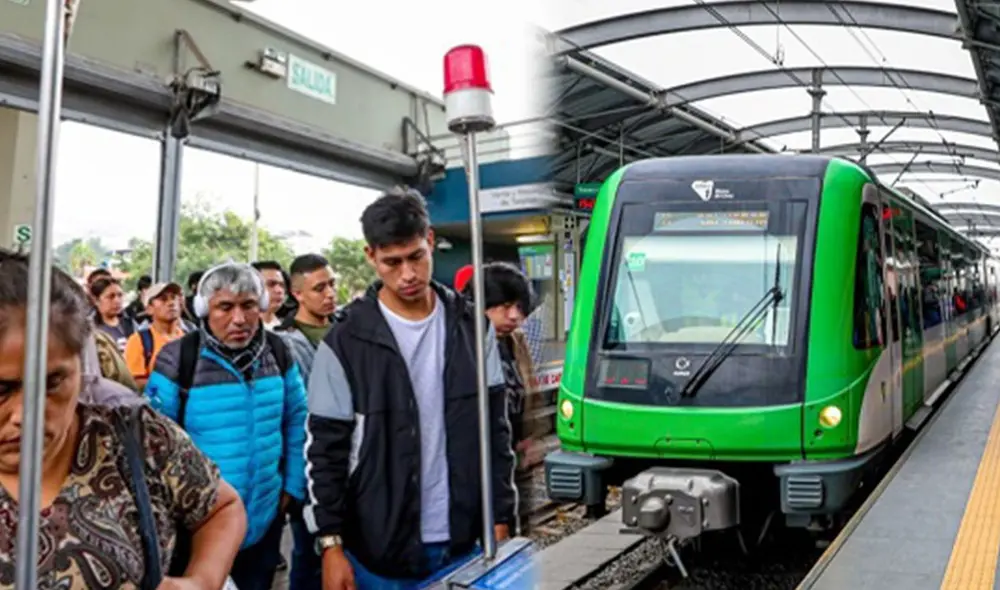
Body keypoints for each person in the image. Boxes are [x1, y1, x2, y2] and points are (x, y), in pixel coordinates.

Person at [304, 188, 516, 589]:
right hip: (377, 549)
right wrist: (331, 543)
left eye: (416, 256)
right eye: (392, 262)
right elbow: (325, 449)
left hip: (465, 540)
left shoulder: (474, 328)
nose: (408, 274)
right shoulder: (345, 342)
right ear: (371, 256)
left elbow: (495, 432)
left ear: (430, 240)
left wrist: (501, 517)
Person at [0, 249, 247, 588]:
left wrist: (201, 580)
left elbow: (222, 507)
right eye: (1, 390)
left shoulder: (133, 434)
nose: (24, 415)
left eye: (52, 382)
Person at [146, 262, 309, 590]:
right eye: (225, 307)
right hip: (201, 527)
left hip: (264, 517)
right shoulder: (179, 358)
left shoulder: (279, 351)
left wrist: (292, 487)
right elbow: (155, 444)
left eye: (249, 305)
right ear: (204, 309)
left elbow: (297, 418)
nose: (239, 319)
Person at [461, 261, 541, 535]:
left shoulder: (515, 341)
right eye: (505, 307)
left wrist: (528, 434)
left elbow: (527, 388)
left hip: (511, 452)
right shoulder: (463, 344)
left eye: (519, 307)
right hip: (478, 460)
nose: (514, 316)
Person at [274, 253, 338, 590]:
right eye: (319, 288)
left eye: (332, 284)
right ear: (297, 293)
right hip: (308, 462)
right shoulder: (283, 343)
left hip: (350, 459)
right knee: (309, 554)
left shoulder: (347, 330)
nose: (329, 293)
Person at [123, 281, 186, 389]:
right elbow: (135, 382)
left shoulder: (188, 338)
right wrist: (172, 388)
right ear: (149, 309)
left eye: (174, 298)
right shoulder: (139, 341)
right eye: (163, 299)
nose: (171, 303)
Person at [90, 276, 136, 352]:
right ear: (96, 300)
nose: (117, 301)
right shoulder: (89, 329)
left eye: (120, 295)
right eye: (111, 296)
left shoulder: (130, 324)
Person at [253, 260, 289, 331]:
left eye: (282, 285)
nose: (279, 290)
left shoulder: (289, 327)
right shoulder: (243, 330)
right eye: (271, 284)